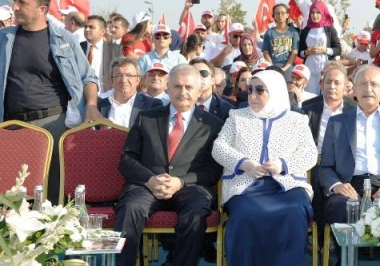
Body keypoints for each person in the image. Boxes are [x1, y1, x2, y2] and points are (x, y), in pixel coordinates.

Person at [0, 0, 101, 203]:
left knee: (52, 196)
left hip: (52, 126)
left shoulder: (64, 40)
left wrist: (92, 106)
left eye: (22, 2)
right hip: (10, 126)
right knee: (12, 198)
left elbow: (88, 77)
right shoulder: (4, 39)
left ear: (42, 9)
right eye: (15, 0)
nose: (15, 7)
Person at [114, 64, 224, 266]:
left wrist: (181, 182)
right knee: (130, 208)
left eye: (189, 87)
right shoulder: (146, 117)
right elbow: (127, 159)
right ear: (167, 87)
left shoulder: (213, 124)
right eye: (177, 86)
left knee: (196, 212)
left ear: (200, 90)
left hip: (190, 187)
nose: (183, 92)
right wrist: (150, 179)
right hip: (147, 185)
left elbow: (213, 170)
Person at [211, 70, 317, 266]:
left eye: (260, 91)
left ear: (275, 91)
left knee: (293, 213)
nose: (252, 96)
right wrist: (245, 163)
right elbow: (219, 148)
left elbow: (310, 154)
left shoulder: (297, 120)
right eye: (250, 90)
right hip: (245, 187)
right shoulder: (236, 116)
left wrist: (283, 165)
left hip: (288, 187)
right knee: (245, 215)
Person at [319, 65, 380, 266]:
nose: (368, 89)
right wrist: (336, 186)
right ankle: (346, 262)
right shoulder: (337, 122)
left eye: (374, 84)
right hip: (349, 185)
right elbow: (326, 166)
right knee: (340, 208)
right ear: (353, 90)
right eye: (362, 84)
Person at [97, 57, 163, 129]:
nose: (124, 80)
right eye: (119, 75)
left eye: (129, 75)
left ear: (138, 80)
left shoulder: (152, 106)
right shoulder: (99, 106)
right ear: (112, 80)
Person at [298, 1, 341, 95]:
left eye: (318, 12)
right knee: (310, 94)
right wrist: (306, 52)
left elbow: (338, 49)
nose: (315, 15)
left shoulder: (330, 30)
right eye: (312, 12)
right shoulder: (305, 31)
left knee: (326, 93)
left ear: (323, 13)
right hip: (310, 67)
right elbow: (299, 52)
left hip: (326, 67)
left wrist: (325, 50)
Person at [81, 15, 123, 94]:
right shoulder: (78, 48)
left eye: (91, 27)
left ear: (102, 32)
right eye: (85, 26)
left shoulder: (115, 50)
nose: (87, 29)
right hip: (81, 97)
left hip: (106, 97)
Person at [262, 3, 299, 76]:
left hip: (288, 67)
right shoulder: (269, 33)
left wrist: (284, 68)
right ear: (274, 16)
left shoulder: (293, 32)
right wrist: (272, 66)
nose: (280, 15)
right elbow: (265, 52)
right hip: (273, 68)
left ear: (287, 15)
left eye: (283, 13)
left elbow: (294, 52)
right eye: (277, 13)